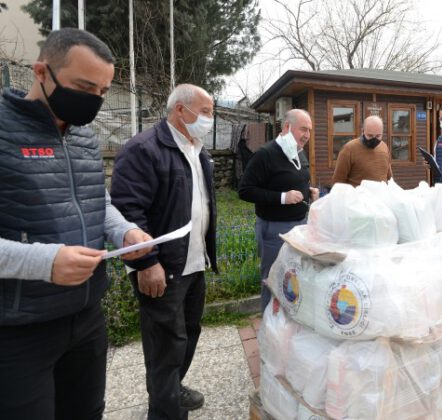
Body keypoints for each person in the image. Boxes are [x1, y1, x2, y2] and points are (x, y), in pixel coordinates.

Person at [0, 28, 153, 419]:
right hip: (19, 329)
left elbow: (96, 202)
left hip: (86, 317)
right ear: (41, 72)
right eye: (84, 87)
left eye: (102, 92)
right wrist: (45, 262)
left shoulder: (84, 137)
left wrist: (125, 231)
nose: (94, 101)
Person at [110, 84, 218, 419]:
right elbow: (128, 211)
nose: (210, 120)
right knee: (164, 345)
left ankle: (171, 389)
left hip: (193, 261)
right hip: (163, 266)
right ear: (180, 110)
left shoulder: (197, 150)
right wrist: (146, 262)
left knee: (187, 334)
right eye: (206, 112)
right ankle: (165, 409)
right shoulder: (144, 149)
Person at [238, 109, 319, 311]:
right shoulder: (265, 154)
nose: (307, 135)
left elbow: (294, 179)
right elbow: (245, 190)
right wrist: (283, 198)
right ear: (286, 127)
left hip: (299, 226)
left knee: (294, 278)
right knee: (273, 279)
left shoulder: (298, 152)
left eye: (309, 130)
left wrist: (308, 192)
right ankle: (269, 327)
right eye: (303, 129)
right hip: (275, 230)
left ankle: (287, 325)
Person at [331, 115, 392, 187]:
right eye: (370, 135)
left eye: (378, 136)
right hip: (356, 197)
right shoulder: (349, 149)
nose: (374, 139)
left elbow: (389, 178)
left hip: (381, 197)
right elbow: (338, 181)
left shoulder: (384, 147)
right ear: (363, 131)